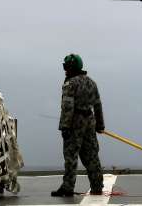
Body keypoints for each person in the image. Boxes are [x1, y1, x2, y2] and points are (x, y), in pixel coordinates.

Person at [51, 53, 105, 197]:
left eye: (66, 67)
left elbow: (67, 106)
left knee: (71, 156)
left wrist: (65, 126)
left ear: (72, 67)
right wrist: (100, 125)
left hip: (75, 122)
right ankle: (97, 185)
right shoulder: (92, 82)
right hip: (90, 122)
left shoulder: (70, 83)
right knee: (92, 155)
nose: (65, 70)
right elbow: (98, 105)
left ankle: (68, 187)